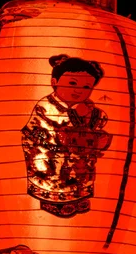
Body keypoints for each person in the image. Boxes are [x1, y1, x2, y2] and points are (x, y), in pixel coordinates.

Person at [21, 54, 112, 217]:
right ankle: (54, 203)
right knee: (56, 179)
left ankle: (79, 199)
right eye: (72, 83)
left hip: (78, 155)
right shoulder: (45, 106)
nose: (78, 90)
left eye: (86, 87)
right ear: (54, 83)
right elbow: (36, 130)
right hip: (51, 153)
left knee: (80, 177)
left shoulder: (88, 108)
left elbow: (99, 121)